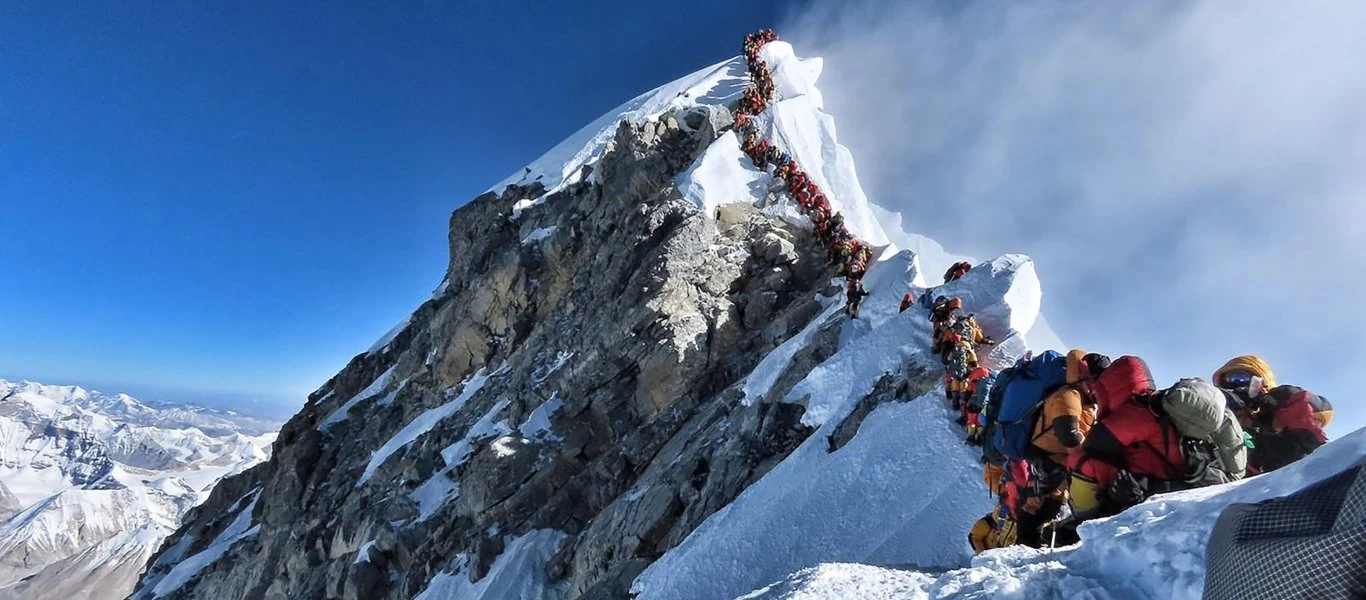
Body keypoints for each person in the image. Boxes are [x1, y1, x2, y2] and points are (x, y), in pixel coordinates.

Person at [1067, 356, 1183, 521]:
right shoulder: (1150, 404)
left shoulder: (1136, 410)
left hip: (1158, 484)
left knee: (1081, 461)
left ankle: (1082, 520)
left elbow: (1095, 443)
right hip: (1162, 477)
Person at [1213, 355, 1331, 473]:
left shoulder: (1278, 421)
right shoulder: (1217, 424)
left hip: (1293, 482)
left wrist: (1286, 397)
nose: (1232, 385)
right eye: (1226, 381)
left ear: (1260, 382)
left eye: (1239, 377)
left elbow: (1321, 411)